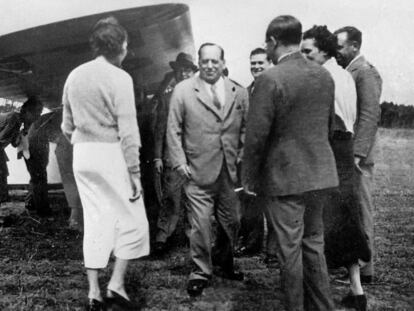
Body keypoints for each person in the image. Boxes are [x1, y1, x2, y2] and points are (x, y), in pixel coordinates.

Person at [242, 16, 338, 311]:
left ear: (272, 42)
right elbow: (329, 127)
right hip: (319, 177)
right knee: (313, 246)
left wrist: (248, 180)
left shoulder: (270, 79)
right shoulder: (324, 75)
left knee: (289, 252)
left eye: (266, 45)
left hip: (285, 181)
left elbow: (256, 138)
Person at [61, 17, 149, 311]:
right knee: (134, 220)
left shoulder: (74, 75)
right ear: (121, 46)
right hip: (109, 152)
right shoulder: (120, 77)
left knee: (96, 219)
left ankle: (94, 291)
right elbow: (128, 131)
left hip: (82, 154)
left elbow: (66, 125)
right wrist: (135, 172)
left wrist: (84, 139)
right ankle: (116, 283)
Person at [167, 42, 249, 297]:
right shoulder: (183, 91)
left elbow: (247, 128)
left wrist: (242, 156)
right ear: (199, 63)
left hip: (230, 172)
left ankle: (225, 263)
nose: (210, 66)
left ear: (223, 63)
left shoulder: (239, 91)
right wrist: (180, 162)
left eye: (215, 61)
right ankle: (200, 271)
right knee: (200, 224)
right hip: (197, 170)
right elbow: (173, 129)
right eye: (205, 61)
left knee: (232, 221)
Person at [301, 25, 371, 311]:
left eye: (308, 51)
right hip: (344, 149)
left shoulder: (320, 76)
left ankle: (318, 293)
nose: (304, 57)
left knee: (319, 220)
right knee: (346, 216)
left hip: (329, 147)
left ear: (324, 51)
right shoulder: (344, 75)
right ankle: (356, 290)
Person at [334, 26, 382, 287]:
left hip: (358, 157)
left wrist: (357, 155)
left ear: (354, 46)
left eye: (340, 46)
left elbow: (369, 115)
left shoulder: (364, 72)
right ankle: (356, 266)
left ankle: (366, 270)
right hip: (351, 155)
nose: (337, 52)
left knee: (361, 210)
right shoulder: (350, 71)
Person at [152, 52, 197, 255]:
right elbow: (160, 129)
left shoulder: (202, 95)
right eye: (180, 70)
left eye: (188, 70)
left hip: (196, 157)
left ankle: (192, 236)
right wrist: (158, 156)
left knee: (193, 199)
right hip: (172, 157)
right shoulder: (167, 99)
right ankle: (162, 237)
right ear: (176, 73)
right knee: (171, 198)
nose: (184, 73)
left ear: (192, 73)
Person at [236, 48, 277, 263]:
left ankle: (274, 251)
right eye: (253, 63)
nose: (256, 67)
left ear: (270, 63)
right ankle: (252, 244)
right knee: (250, 201)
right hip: (251, 157)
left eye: (261, 63)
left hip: (272, 157)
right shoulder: (247, 90)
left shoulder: (277, 86)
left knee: (272, 204)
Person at [0, 97, 43, 204]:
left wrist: (25, 130)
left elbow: (14, 144)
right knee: (2, 173)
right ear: (26, 111)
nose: (37, 116)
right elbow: (1, 139)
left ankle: (3, 199)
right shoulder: (14, 117)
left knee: (3, 173)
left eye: (39, 112)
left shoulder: (19, 122)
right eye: (35, 112)